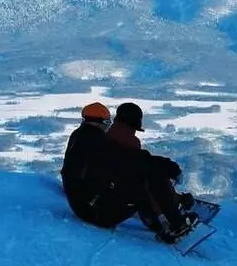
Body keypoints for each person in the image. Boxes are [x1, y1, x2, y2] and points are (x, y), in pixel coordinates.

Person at [62, 101, 196, 243]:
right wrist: (170, 168)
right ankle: (177, 224)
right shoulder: (96, 142)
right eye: (107, 121)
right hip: (96, 211)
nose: (108, 125)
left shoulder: (81, 137)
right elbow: (131, 159)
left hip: (86, 204)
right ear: (100, 121)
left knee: (137, 180)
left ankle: (160, 223)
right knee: (147, 178)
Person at [61, 102, 113, 221]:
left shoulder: (78, 134)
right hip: (90, 205)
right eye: (107, 122)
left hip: (76, 198)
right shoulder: (98, 138)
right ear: (101, 122)